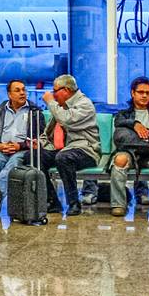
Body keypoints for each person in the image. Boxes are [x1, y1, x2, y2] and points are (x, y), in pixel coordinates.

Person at [0, 80, 46, 214]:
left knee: (14, 162)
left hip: (22, 150)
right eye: (18, 90)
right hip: (1, 149)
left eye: (23, 90)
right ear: (9, 94)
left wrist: (19, 146)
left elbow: (40, 138)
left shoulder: (35, 112)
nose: (22, 93)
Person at [110, 76, 149, 216]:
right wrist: (135, 124)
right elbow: (118, 122)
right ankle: (119, 204)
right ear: (133, 93)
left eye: (147, 93)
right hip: (131, 152)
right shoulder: (124, 114)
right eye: (141, 92)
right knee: (119, 160)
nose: (144, 96)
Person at [40, 74, 99, 216]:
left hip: (86, 150)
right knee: (34, 157)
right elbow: (48, 132)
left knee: (63, 158)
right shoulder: (61, 107)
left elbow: (66, 119)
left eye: (55, 91)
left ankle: (73, 203)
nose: (53, 95)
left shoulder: (85, 104)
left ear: (66, 90)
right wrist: (40, 143)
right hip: (64, 149)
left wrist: (50, 102)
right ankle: (52, 201)